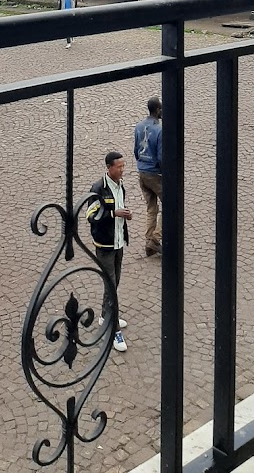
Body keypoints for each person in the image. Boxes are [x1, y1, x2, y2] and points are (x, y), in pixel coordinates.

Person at [86, 151, 132, 353]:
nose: (122, 170)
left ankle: (105, 316)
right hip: (105, 246)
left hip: (118, 242)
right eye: (119, 167)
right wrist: (114, 213)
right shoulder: (98, 189)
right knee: (111, 286)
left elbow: (119, 208)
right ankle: (113, 330)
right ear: (109, 168)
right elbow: (91, 215)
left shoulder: (120, 185)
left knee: (115, 282)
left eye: (123, 166)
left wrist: (125, 215)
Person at [134, 97, 163, 257]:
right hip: (155, 174)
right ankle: (156, 239)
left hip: (142, 172)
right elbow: (161, 157)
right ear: (158, 110)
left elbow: (136, 150)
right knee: (170, 205)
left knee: (151, 208)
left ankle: (148, 242)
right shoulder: (159, 130)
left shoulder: (139, 126)